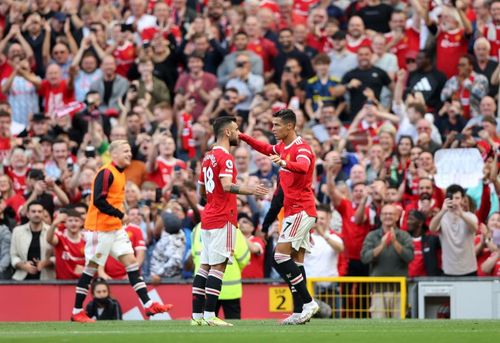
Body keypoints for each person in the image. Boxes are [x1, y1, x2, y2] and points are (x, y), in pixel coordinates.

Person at [70, 140, 172, 323]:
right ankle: (77, 310)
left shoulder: (120, 173)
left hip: (114, 228)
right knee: (91, 268)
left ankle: (148, 305)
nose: (129, 154)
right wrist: (120, 214)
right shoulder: (106, 172)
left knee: (132, 263)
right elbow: (99, 202)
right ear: (114, 154)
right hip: (99, 229)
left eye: (129, 151)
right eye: (125, 151)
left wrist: (118, 217)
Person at [239, 109, 320, 325]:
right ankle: (298, 311)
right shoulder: (283, 147)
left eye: (276, 125)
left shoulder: (302, 148)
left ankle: (309, 302)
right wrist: (242, 136)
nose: (272, 129)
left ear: (290, 126)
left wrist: (283, 163)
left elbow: (303, 167)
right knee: (296, 261)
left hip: (301, 210)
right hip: (294, 212)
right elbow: (264, 148)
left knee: (279, 257)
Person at [191, 116, 267, 326]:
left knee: (204, 267)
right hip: (223, 217)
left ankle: (197, 317)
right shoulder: (225, 158)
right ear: (227, 132)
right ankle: (209, 315)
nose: (238, 134)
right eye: (236, 130)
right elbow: (225, 185)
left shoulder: (207, 157)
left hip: (208, 216)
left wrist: (213, 200)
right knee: (218, 266)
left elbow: (201, 190)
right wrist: (249, 190)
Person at [361, 204, 414, 318]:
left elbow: (410, 257)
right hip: (378, 290)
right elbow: (365, 258)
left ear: (397, 217)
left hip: (399, 290)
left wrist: (395, 243)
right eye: (385, 214)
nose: (388, 216)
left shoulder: (404, 236)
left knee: (399, 327)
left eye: (391, 214)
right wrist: (382, 245)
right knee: (378, 327)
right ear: (380, 217)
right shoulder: (372, 236)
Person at [429, 184, 478, 276]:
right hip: (449, 270)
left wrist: (462, 214)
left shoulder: (470, 216)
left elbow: (474, 228)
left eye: (457, 198)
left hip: (469, 270)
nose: (454, 201)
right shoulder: (442, 217)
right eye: (451, 197)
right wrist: (443, 211)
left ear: (463, 199)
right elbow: (432, 229)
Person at [10, 201, 55, 280]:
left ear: (43, 214)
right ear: (27, 214)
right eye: (33, 211)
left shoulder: (52, 231)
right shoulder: (17, 231)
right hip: (21, 278)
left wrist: (45, 263)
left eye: (39, 211)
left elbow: (57, 257)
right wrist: (23, 266)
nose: (36, 214)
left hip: (46, 278)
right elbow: (13, 255)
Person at [46, 209, 85, 279]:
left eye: (76, 220)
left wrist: (86, 269)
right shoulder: (60, 236)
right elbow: (49, 240)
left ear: (81, 223)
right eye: (70, 220)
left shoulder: (86, 238)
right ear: (65, 223)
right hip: (63, 283)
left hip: (82, 282)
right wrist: (54, 224)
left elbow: (96, 258)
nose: (73, 223)